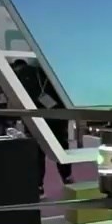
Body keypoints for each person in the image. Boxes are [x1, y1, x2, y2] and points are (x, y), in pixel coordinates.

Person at [12, 59, 73, 194]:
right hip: (38, 117)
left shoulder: (57, 71)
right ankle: (39, 183)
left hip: (55, 116)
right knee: (38, 151)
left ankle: (65, 176)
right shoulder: (26, 72)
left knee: (60, 147)